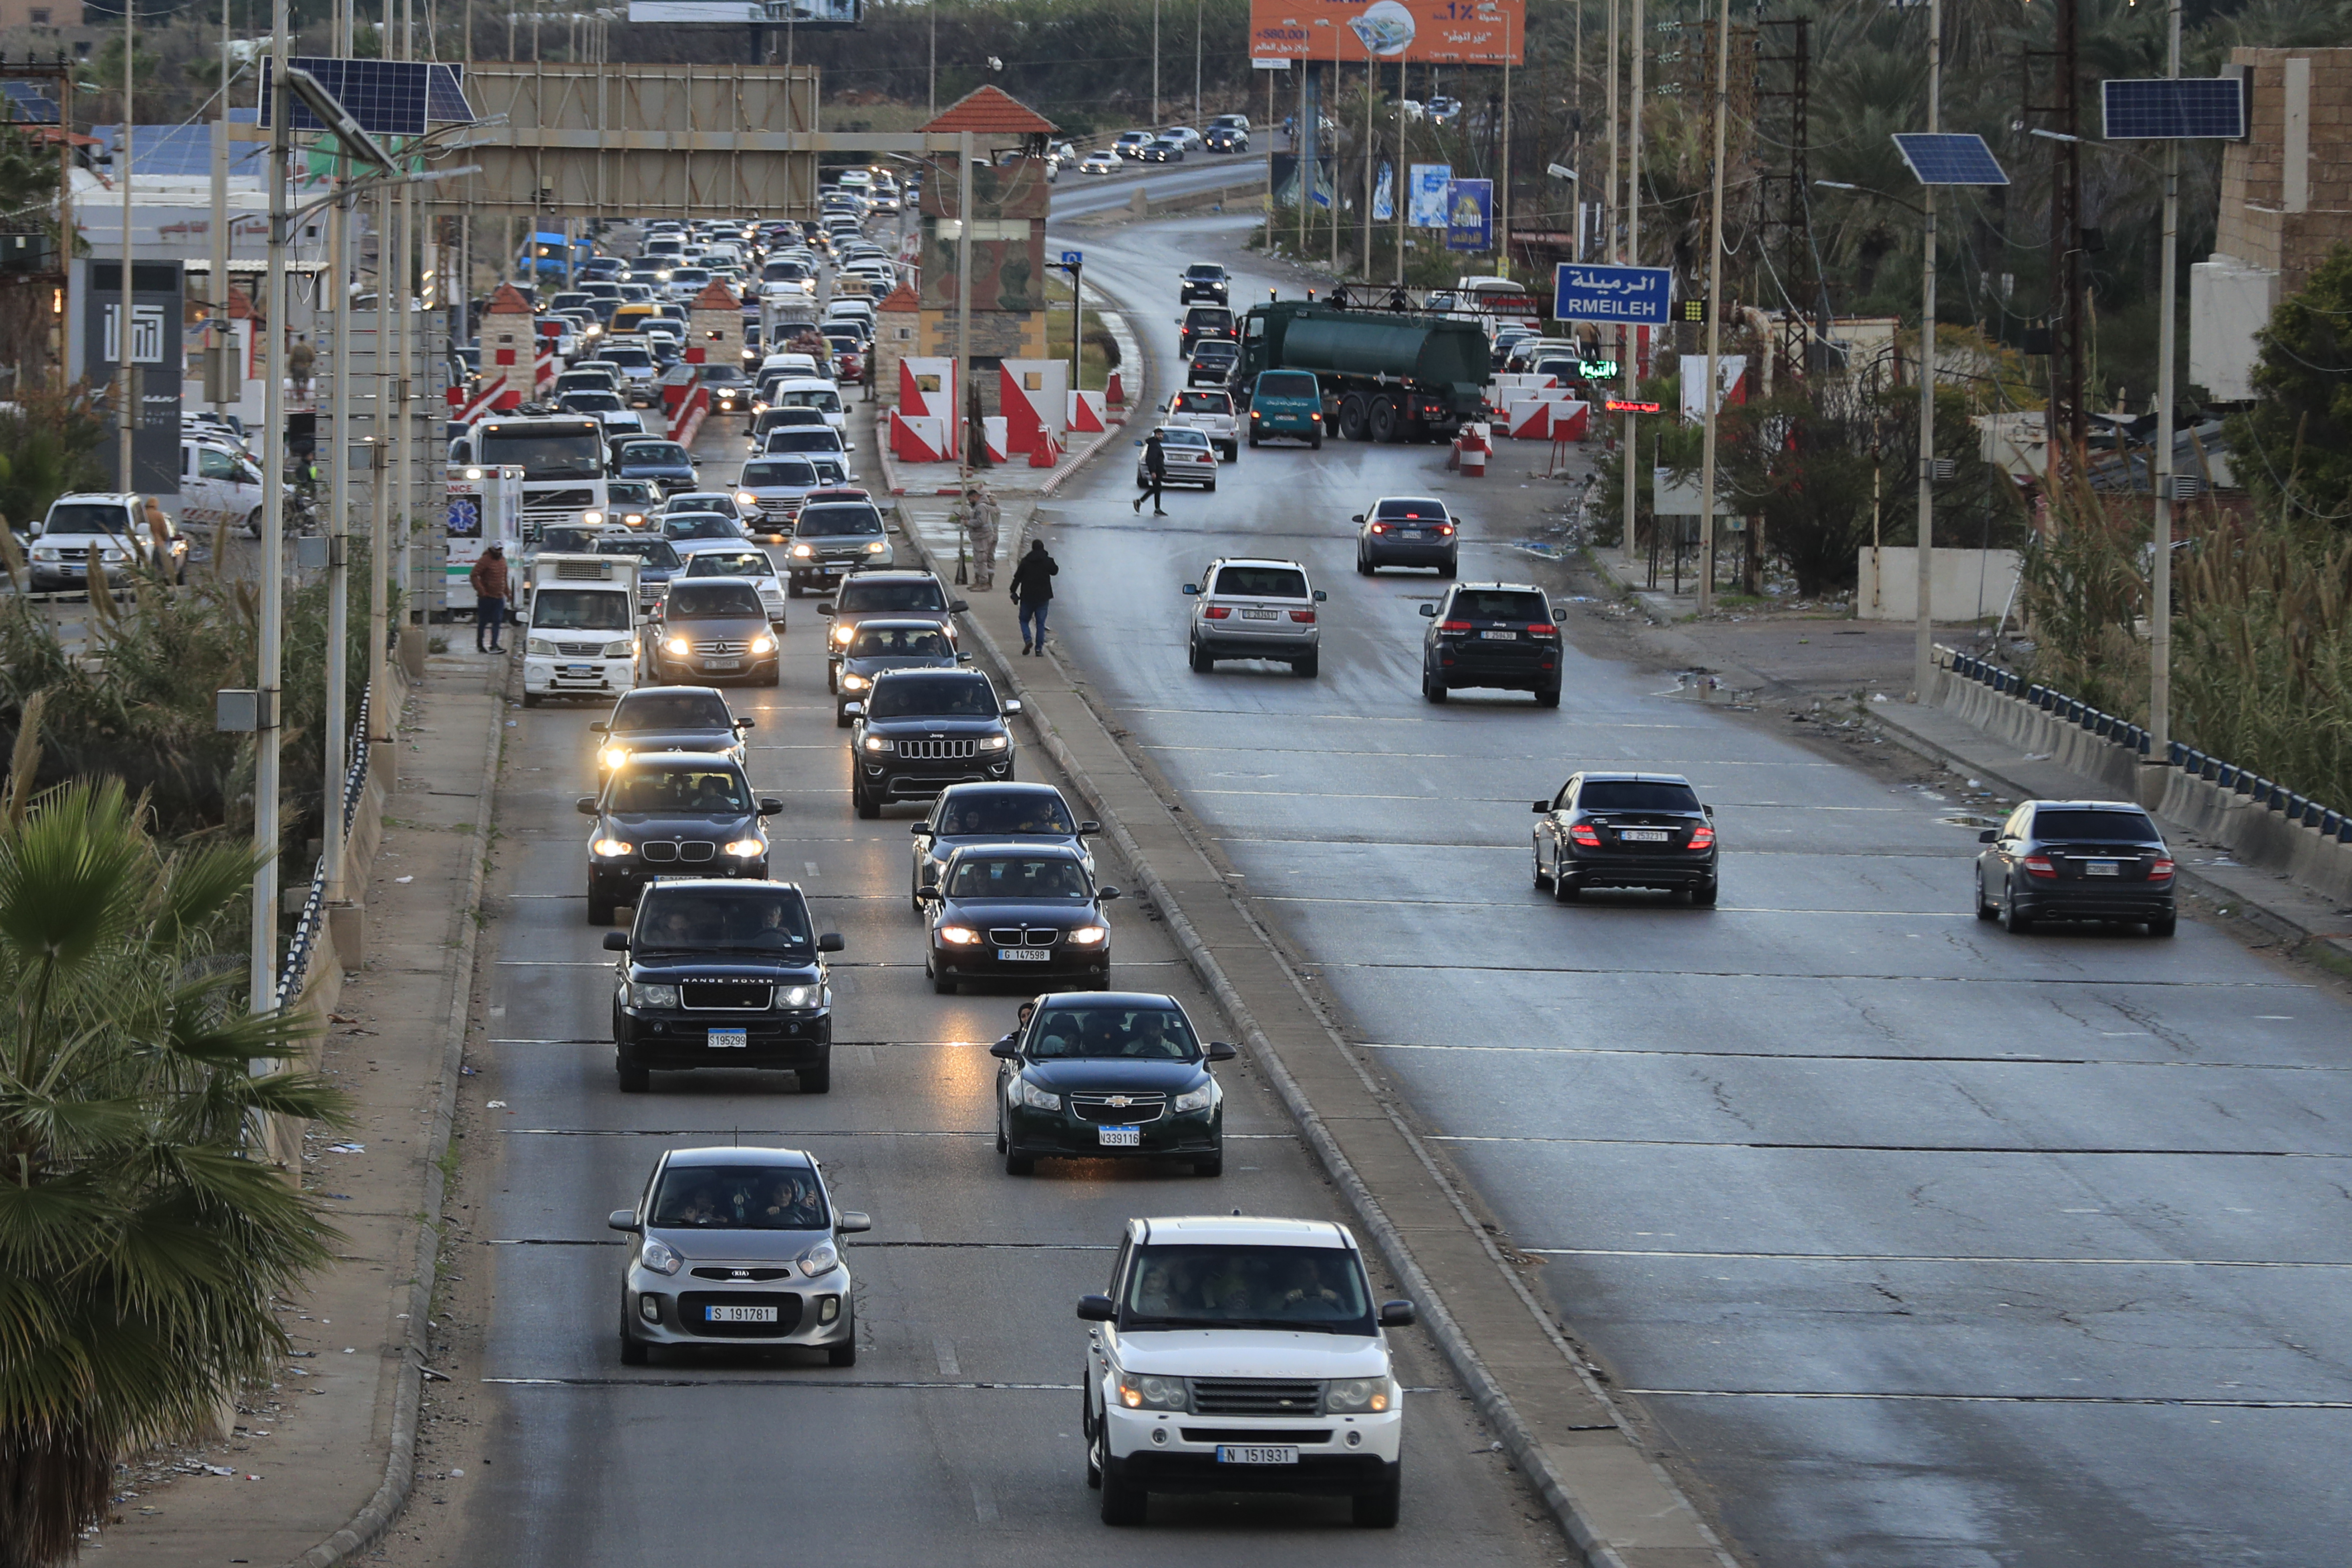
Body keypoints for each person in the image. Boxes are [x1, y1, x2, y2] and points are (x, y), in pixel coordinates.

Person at [1009, 538, 1058, 656]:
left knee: (1024, 620)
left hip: (1027, 597)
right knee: (1041, 624)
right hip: (1043, 598)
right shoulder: (1047, 561)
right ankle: (1039, 649)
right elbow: (1055, 571)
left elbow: (1018, 578)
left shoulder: (1026, 562)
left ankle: (1028, 640)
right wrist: (1049, 560)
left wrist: (1013, 591)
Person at [468, 544, 510, 653]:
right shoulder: (485, 560)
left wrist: (508, 593)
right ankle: (480, 645)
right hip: (486, 598)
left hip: (499, 597)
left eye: (500, 549)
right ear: (492, 550)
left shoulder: (503, 561)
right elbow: (474, 575)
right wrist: (481, 591)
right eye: (497, 550)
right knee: (483, 622)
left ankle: (494, 645)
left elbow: (504, 579)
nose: (499, 552)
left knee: (497, 621)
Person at [963, 481, 1000, 591]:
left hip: (983, 537)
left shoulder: (982, 507)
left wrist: (968, 523)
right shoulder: (991, 507)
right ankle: (985, 581)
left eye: (971, 499)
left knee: (981, 560)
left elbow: (981, 521)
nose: (970, 502)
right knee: (987, 560)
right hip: (989, 536)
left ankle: (983, 583)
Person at [1133, 429, 1167, 516]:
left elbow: (1159, 460)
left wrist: (1163, 471)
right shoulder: (1154, 445)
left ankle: (1157, 509)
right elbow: (1151, 459)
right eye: (1159, 435)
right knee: (1157, 489)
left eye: (1162, 435)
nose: (1161, 437)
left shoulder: (1156, 444)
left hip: (1158, 470)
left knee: (1157, 489)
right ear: (1155, 435)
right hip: (1155, 471)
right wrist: (1153, 472)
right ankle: (1140, 501)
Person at [286, 334, 315, 401]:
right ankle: (303, 393)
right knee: (306, 381)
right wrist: (309, 363)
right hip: (305, 367)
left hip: (296, 367)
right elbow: (313, 357)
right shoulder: (308, 348)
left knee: (297, 381)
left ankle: (299, 394)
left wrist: (290, 367)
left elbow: (292, 359)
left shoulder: (295, 348)